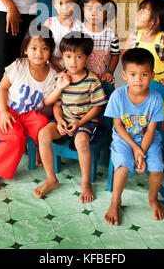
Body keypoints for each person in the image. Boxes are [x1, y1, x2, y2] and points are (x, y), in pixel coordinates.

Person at [0, 23, 70, 191]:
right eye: (34, 48)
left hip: (26, 115)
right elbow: (2, 88)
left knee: (43, 123)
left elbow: (47, 101)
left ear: (50, 51)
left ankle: (37, 148)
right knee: (15, 138)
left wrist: (59, 87)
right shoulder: (19, 66)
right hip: (4, 109)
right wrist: (4, 112)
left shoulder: (52, 75)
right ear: (25, 50)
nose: (39, 53)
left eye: (44, 48)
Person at [34, 32, 107, 203]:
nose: (73, 62)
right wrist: (59, 121)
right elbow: (57, 104)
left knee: (81, 141)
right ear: (62, 57)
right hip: (64, 120)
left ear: (87, 58)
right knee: (43, 134)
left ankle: (85, 182)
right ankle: (51, 179)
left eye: (78, 57)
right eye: (68, 56)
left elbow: (97, 107)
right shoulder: (61, 78)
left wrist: (79, 122)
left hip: (86, 123)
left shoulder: (92, 80)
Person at [104, 48, 164, 225]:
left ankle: (153, 198)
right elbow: (118, 126)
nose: (138, 80)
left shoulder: (155, 98)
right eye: (133, 74)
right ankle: (115, 201)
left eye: (144, 74)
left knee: (157, 168)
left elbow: (151, 130)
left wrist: (142, 151)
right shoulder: (117, 96)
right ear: (124, 75)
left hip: (148, 139)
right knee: (123, 167)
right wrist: (135, 148)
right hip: (124, 139)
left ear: (152, 75)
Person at [122, 0, 164, 132]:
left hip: (159, 85)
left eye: (144, 10)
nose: (138, 13)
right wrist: (129, 74)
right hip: (137, 84)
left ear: (156, 20)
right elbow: (125, 55)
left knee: (160, 122)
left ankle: (161, 149)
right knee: (136, 120)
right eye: (140, 9)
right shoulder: (133, 36)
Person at [74, 0, 120, 98]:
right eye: (89, 9)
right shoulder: (77, 30)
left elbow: (115, 55)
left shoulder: (110, 33)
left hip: (103, 79)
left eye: (99, 9)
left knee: (106, 106)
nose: (94, 13)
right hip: (82, 79)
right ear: (83, 9)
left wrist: (109, 72)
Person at [44, 0, 80, 71]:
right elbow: (43, 45)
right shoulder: (49, 23)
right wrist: (52, 59)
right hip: (50, 67)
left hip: (72, 67)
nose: (65, 7)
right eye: (60, 3)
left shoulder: (79, 26)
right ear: (54, 5)